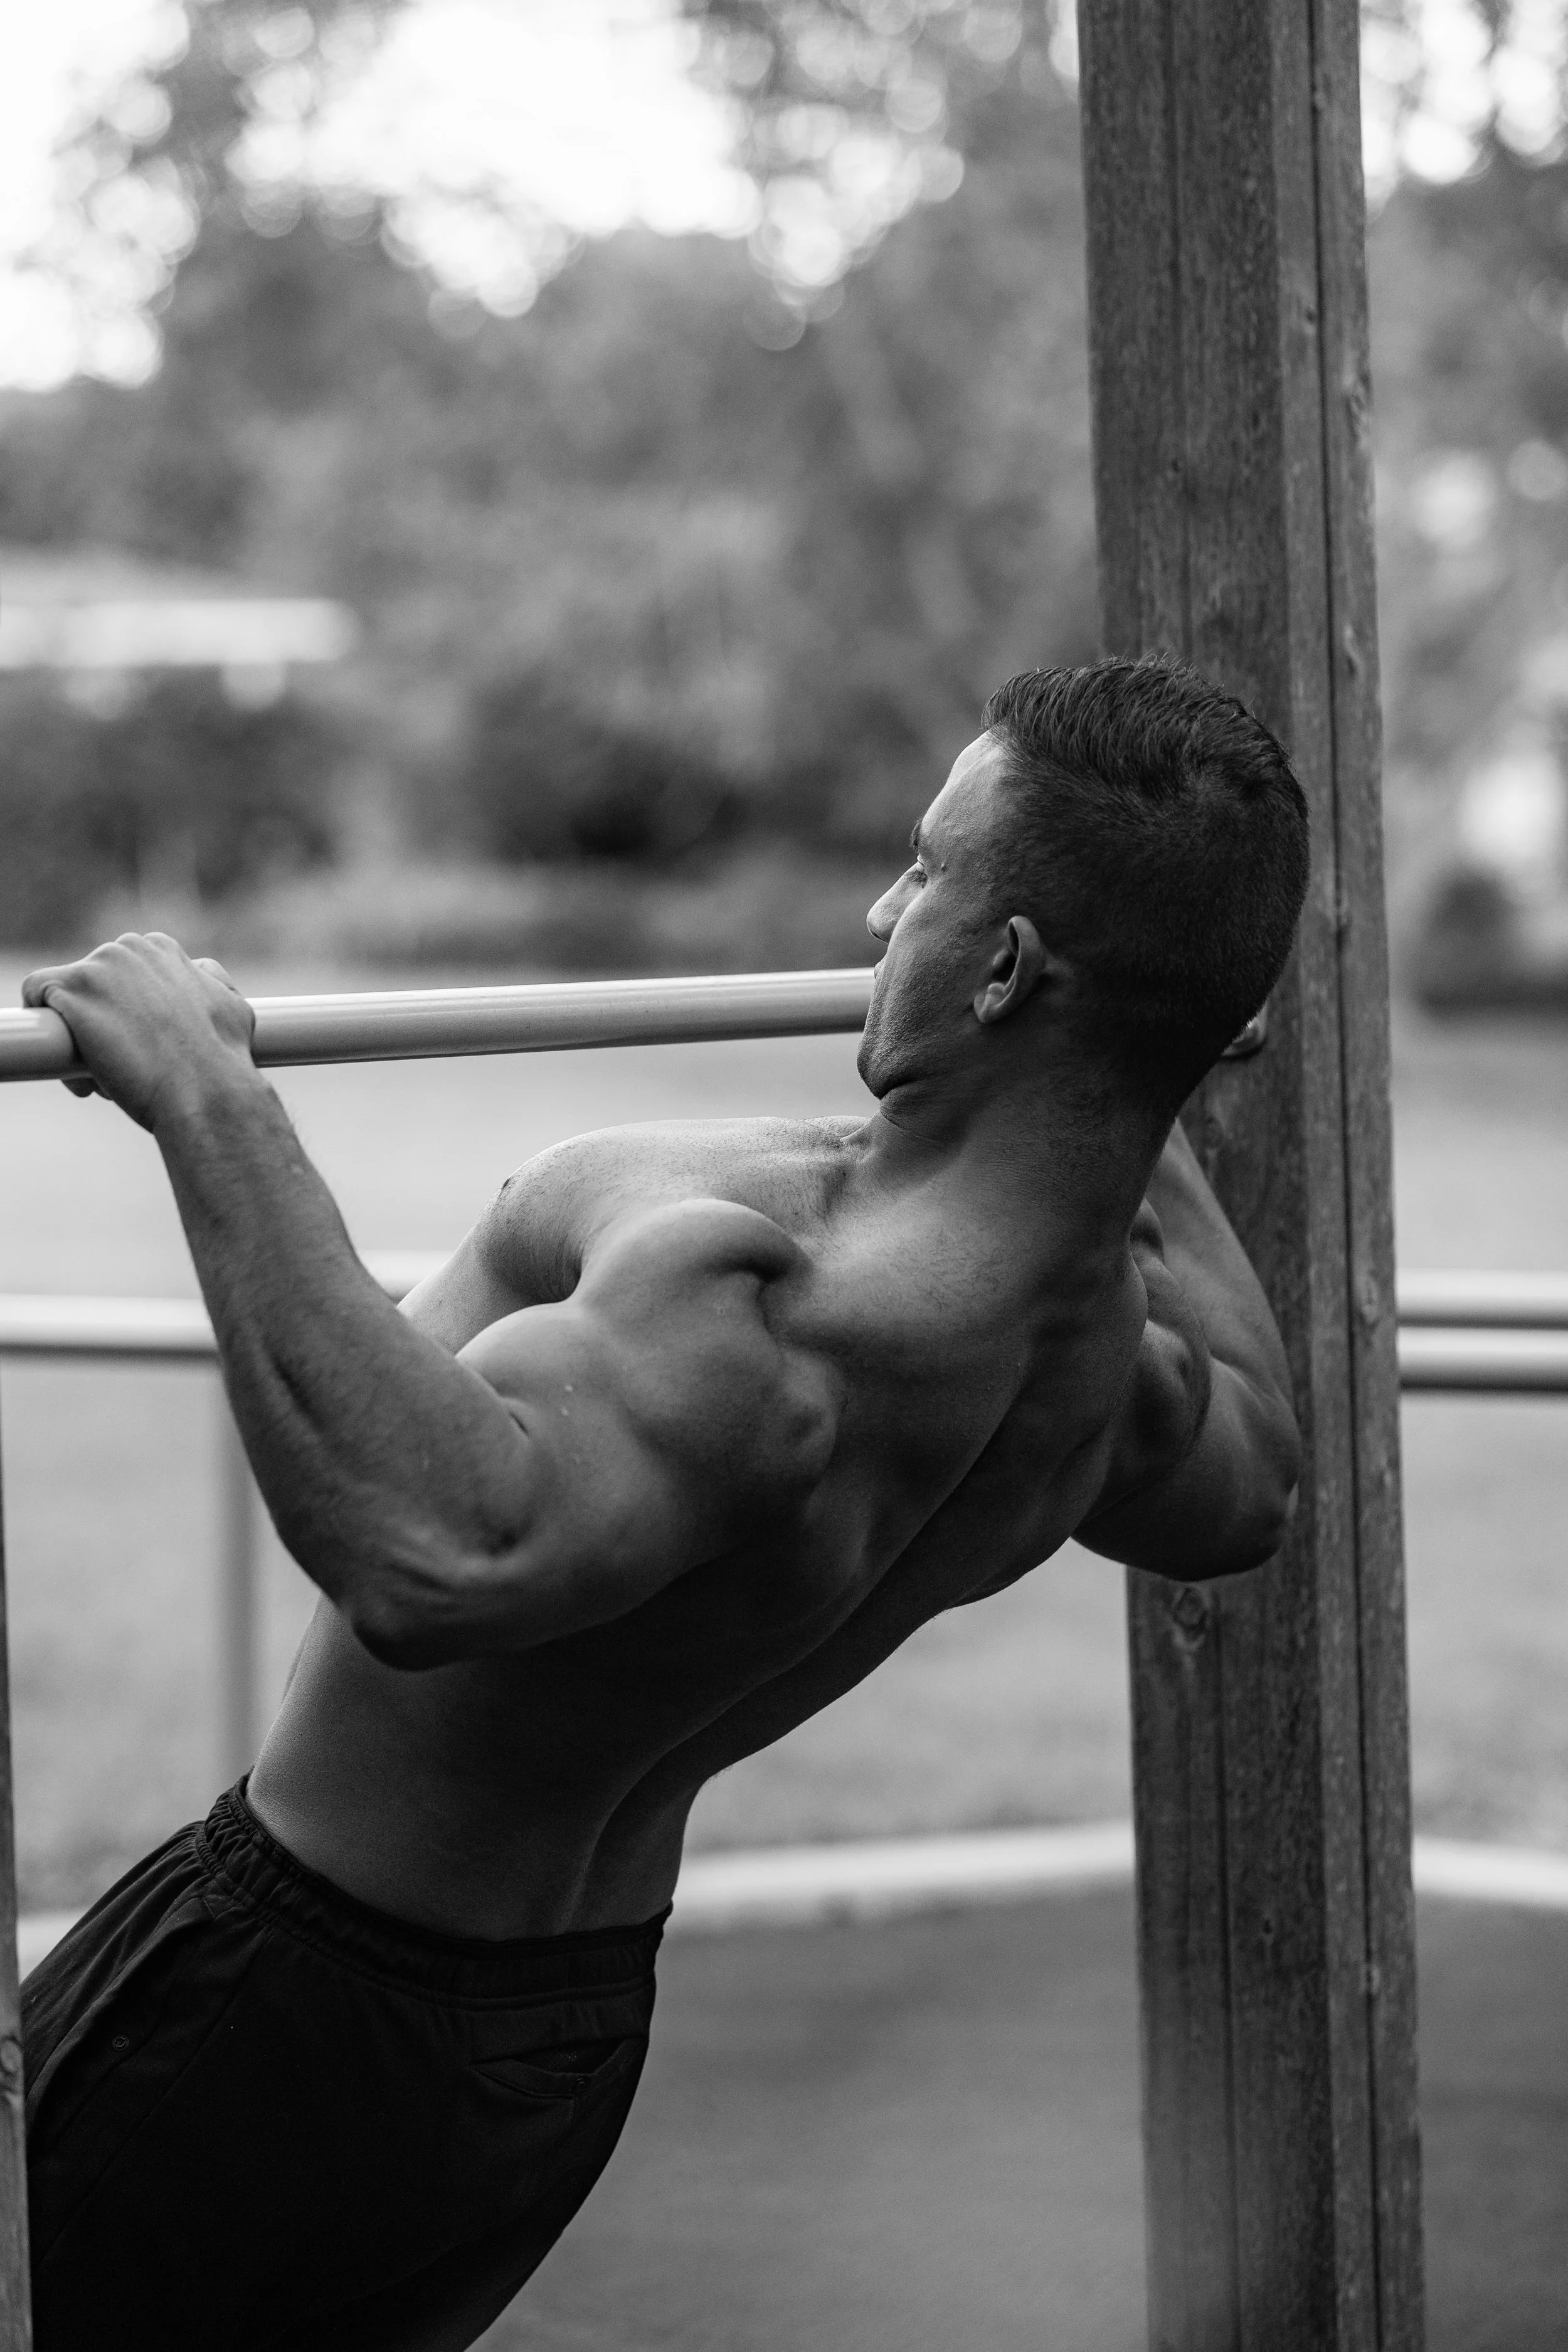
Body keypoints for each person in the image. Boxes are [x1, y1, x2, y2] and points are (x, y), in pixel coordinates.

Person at [19, 652, 1306, 2350]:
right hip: (556, 2040)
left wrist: (207, 1095)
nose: (880, 910)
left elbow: (438, 1553)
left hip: (292, 2006)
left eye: (924, 868)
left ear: (1003, 969)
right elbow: (1256, 1483)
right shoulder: (1105, 1372)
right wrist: (1147, 1069)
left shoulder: (768, 1307)